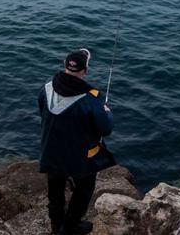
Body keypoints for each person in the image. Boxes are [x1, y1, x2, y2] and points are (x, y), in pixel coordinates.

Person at [38, 48, 115, 235]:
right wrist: (106, 110)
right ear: (85, 71)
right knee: (84, 190)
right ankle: (70, 227)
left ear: (65, 66)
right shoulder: (91, 98)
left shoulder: (46, 88)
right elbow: (106, 129)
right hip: (79, 157)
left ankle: (56, 227)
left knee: (55, 193)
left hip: (51, 152)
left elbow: (43, 113)